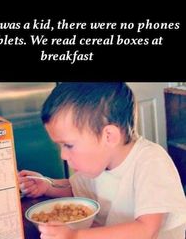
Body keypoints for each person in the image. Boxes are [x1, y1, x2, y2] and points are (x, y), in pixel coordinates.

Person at [18, 82, 186, 239]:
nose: (62, 155)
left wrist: (75, 236)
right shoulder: (98, 164)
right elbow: (76, 188)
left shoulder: (151, 162)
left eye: (68, 145)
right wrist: (47, 185)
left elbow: (146, 230)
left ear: (109, 136)